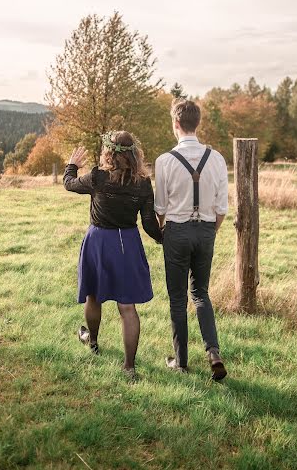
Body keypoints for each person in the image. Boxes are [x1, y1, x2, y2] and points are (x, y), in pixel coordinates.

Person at [63, 131, 162, 379]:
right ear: (134, 154)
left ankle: (93, 343)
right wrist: (165, 239)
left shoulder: (98, 177)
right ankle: (129, 367)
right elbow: (149, 224)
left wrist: (72, 165)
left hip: (98, 241)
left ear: (108, 152)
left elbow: (69, 183)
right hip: (126, 242)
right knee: (127, 306)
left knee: (93, 296)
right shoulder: (142, 184)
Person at [154, 99, 229, 380]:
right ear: (199, 123)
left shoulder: (164, 161)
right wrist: (208, 232)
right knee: (201, 294)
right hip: (207, 230)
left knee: (177, 298)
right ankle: (213, 353)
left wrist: (166, 233)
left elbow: (160, 208)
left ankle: (182, 362)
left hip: (176, 231)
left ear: (175, 124)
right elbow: (222, 208)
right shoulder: (217, 158)